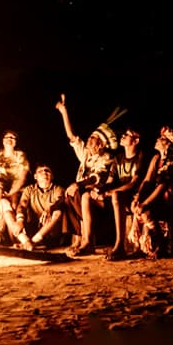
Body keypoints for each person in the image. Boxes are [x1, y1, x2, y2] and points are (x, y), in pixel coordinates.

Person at [55, 93, 119, 256]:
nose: (89, 139)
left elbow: (97, 177)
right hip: (83, 195)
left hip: (100, 197)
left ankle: (88, 241)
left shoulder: (107, 157)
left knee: (81, 194)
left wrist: (78, 184)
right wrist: (64, 112)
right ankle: (78, 240)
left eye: (93, 138)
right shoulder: (86, 154)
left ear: (102, 144)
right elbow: (72, 136)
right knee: (69, 197)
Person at [129, 125, 173, 258]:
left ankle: (161, 245)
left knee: (145, 211)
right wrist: (137, 198)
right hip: (157, 197)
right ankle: (148, 245)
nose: (157, 140)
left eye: (162, 139)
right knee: (140, 209)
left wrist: (145, 203)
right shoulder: (156, 158)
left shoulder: (172, 161)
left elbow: (162, 185)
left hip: (170, 201)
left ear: (168, 144)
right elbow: (147, 180)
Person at [97, 128, 145, 260]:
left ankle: (119, 245)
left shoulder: (140, 156)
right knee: (87, 197)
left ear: (136, 141)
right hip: (118, 195)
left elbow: (133, 183)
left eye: (127, 134)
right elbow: (110, 181)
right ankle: (86, 241)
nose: (122, 135)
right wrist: (99, 190)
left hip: (135, 195)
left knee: (116, 195)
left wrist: (111, 192)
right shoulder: (118, 158)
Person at [15, 163, 66, 247]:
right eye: (40, 171)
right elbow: (22, 205)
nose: (44, 173)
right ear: (35, 176)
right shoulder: (29, 189)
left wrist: (49, 209)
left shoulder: (58, 189)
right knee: (14, 214)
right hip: (33, 228)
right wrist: (19, 220)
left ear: (52, 176)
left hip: (51, 231)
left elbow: (59, 202)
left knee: (57, 212)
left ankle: (33, 242)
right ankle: (26, 241)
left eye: (47, 171)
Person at [0, 129, 30, 208]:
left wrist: (9, 193)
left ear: (15, 142)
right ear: (3, 140)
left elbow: (21, 179)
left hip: (13, 190)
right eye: (7, 137)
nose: (9, 139)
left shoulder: (21, 156)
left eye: (12, 137)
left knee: (12, 205)